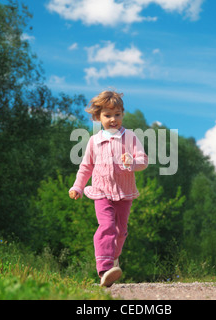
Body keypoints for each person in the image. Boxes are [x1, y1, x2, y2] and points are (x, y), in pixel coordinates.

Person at [69, 90, 148, 287]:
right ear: (98, 117)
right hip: (102, 192)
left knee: (121, 231)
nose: (113, 119)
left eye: (117, 115)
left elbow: (144, 161)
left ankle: (113, 259)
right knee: (107, 227)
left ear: (122, 114)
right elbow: (86, 166)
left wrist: (132, 162)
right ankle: (104, 268)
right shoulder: (94, 141)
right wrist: (78, 186)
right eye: (107, 115)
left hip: (124, 193)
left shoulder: (129, 137)